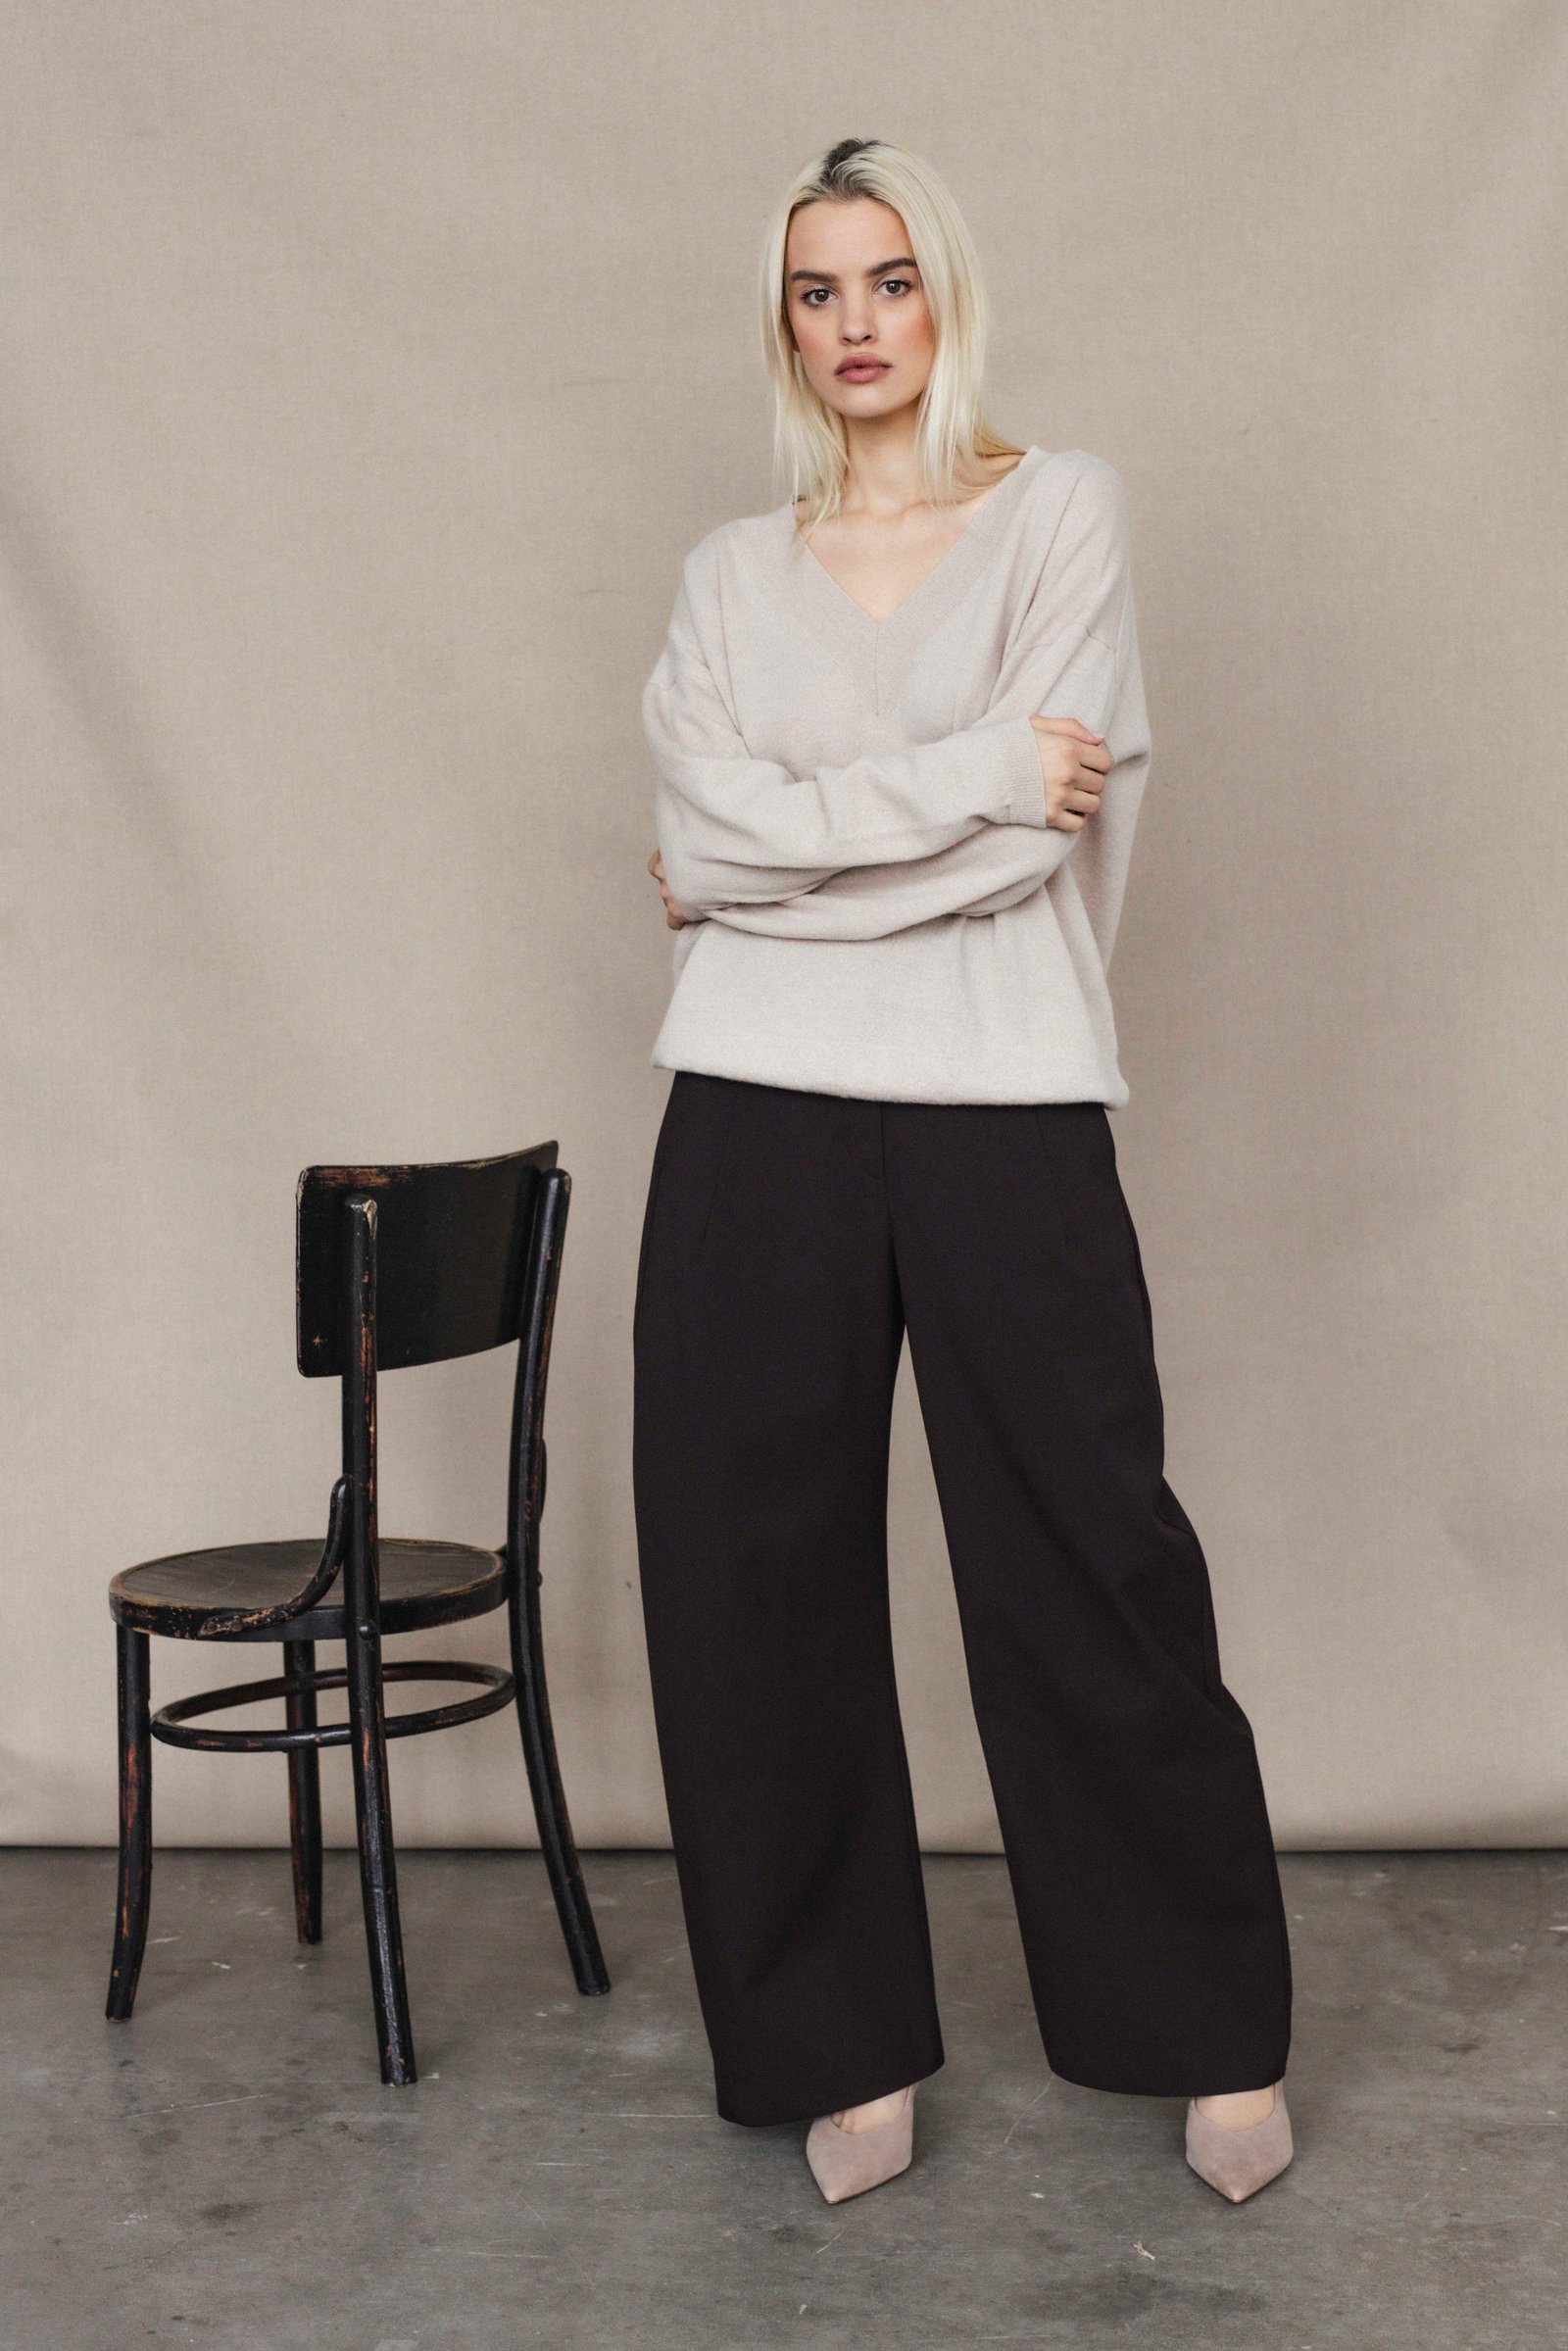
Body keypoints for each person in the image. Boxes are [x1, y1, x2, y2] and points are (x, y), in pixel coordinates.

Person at [632, 135, 1295, 2207]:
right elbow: (731, 830)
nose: (856, 324)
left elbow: (1012, 858)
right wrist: (967, 782)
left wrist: (760, 872)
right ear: (781, 321)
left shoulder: (1057, 512)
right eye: (816, 289)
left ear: (947, 298)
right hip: (749, 1108)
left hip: (1004, 1096)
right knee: (751, 1586)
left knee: (1089, 1561)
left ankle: (1203, 2027)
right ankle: (833, 2043)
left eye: (891, 280)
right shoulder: (723, 579)